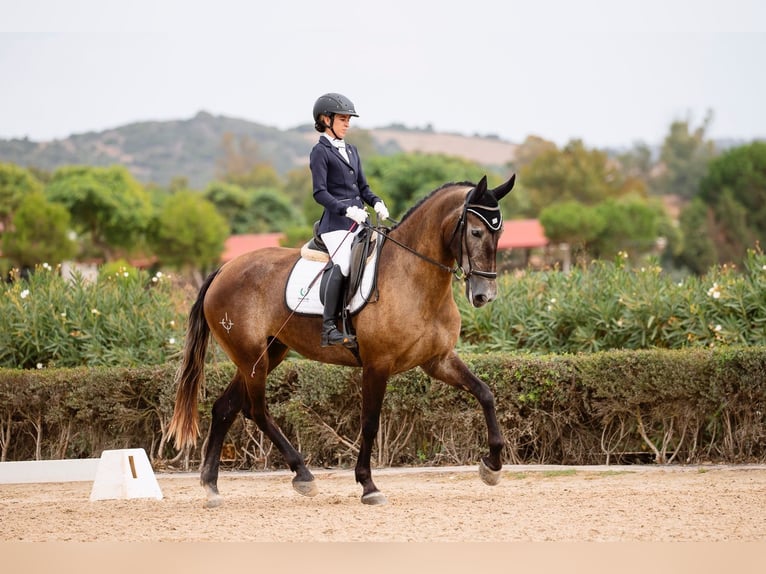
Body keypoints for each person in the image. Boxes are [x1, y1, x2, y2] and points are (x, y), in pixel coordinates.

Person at [310, 92, 389, 347]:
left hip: (359, 222)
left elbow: (363, 187)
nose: (347, 124)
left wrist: (376, 201)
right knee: (344, 264)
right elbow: (319, 192)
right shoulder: (319, 152)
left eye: (348, 120)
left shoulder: (352, 150)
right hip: (335, 226)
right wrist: (345, 210)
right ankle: (329, 327)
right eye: (343, 119)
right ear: (326, 119)